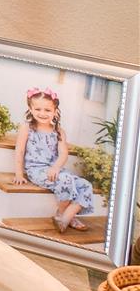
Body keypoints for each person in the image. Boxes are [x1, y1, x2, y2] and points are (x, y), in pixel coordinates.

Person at [20, 88, 103, 237]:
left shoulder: (58, 131)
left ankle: (63, 216)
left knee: (85, 185)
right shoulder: (27, 128)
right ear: (30, 109)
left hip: (56, 170)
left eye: (47, 110)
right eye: (37, 109)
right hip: (37, 170)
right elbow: (19, 151)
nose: (42, 113)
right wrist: (19, 174)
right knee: (66, 180)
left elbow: (64, 153)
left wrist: (56, 167)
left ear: (55, 111)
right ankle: (65, 217)